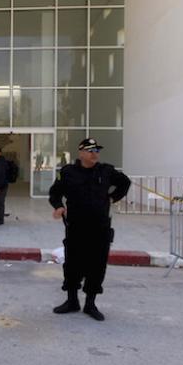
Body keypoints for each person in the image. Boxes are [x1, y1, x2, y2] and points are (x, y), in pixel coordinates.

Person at [49, 138, 130, 321]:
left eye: (97, 150)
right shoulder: (68, 172)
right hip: (76, 227)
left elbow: (125, 183)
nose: (95, 154)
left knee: (97, 265)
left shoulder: (106, 171)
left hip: (100, 227)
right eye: (90, 150)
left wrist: (112, 198)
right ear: (81, 153)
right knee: (72, 264)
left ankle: (90, 304)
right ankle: (72, 301)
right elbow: (55, 192)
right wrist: (58, 206)